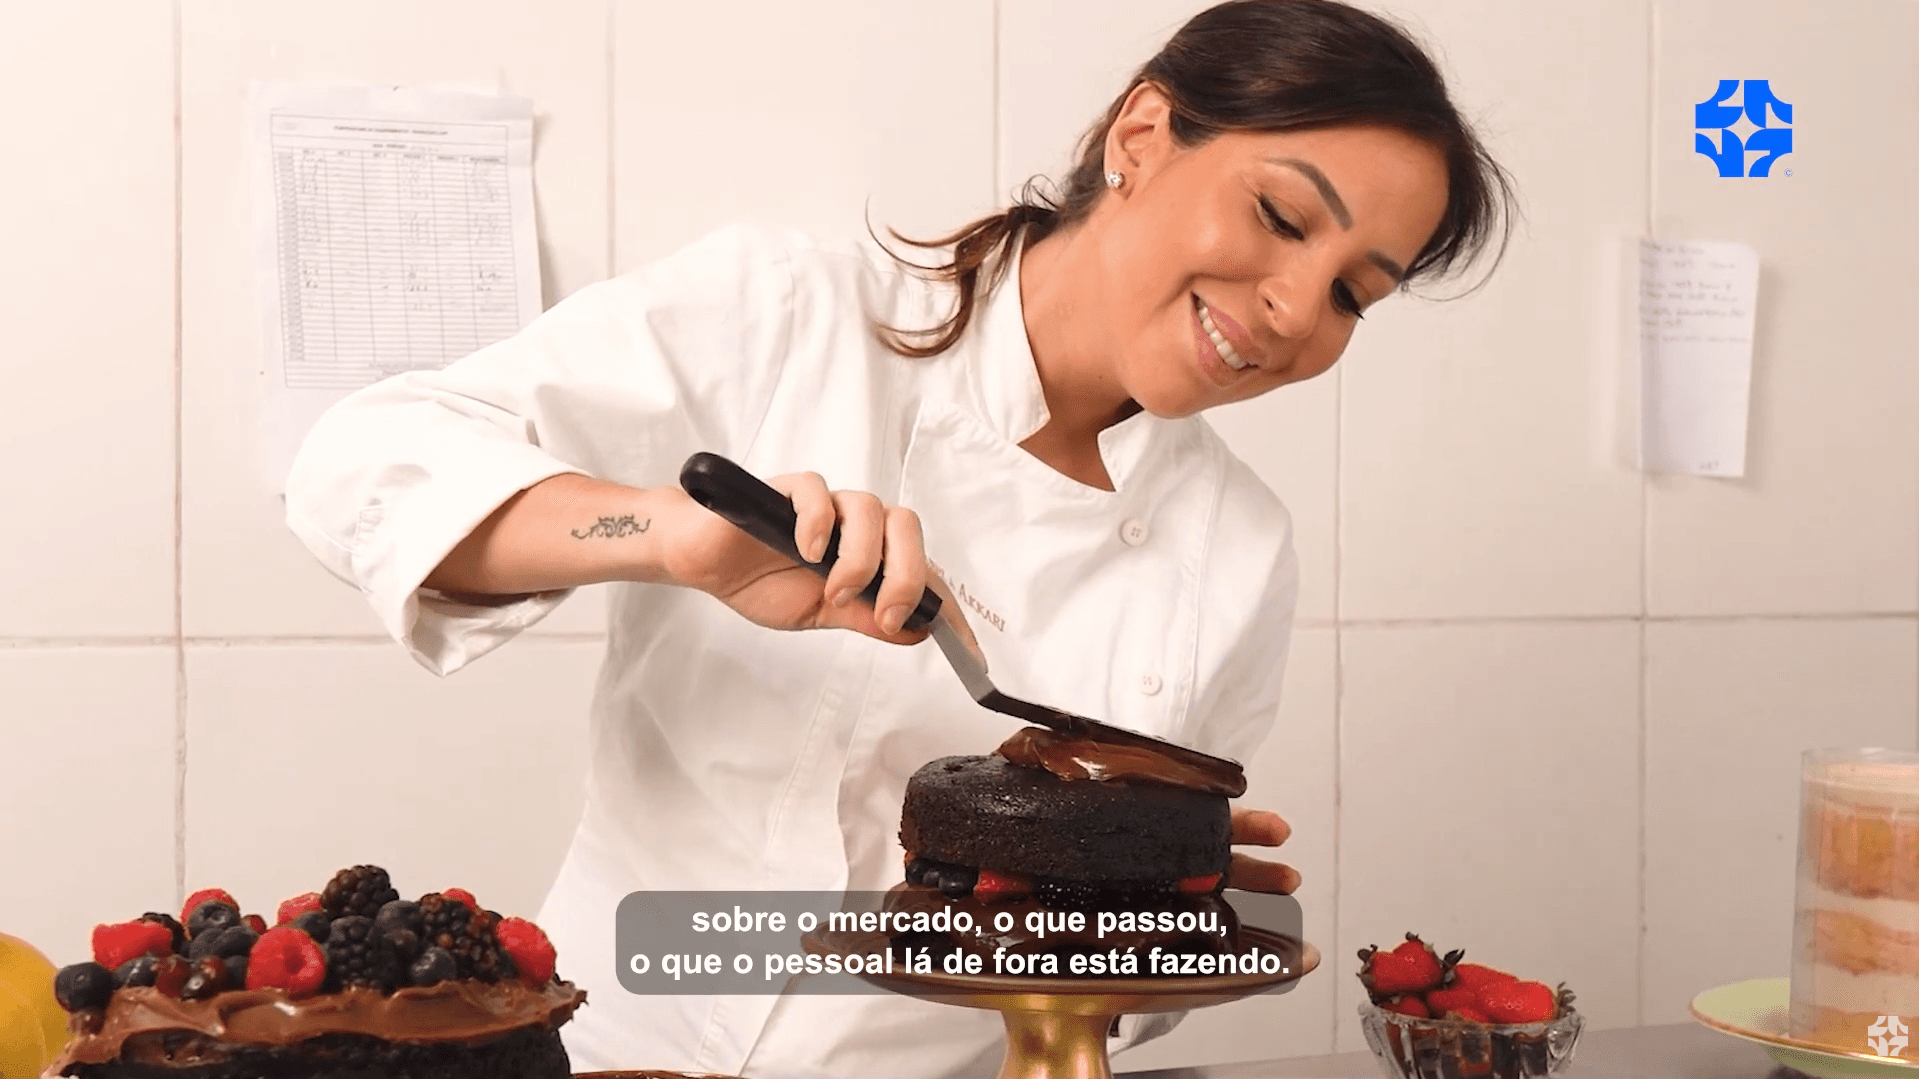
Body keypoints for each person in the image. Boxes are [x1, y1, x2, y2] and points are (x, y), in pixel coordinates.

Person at [284, 0, 1513, 1075]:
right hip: (617, 1047)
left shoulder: (1239, 551)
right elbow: (361, 466)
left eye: (1353, 292)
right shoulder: (792, 315)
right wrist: (664, 533)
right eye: (1281, 216)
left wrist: (1149, 902)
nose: (1296, 309)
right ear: (1140, 136)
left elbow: (1123, 1003)